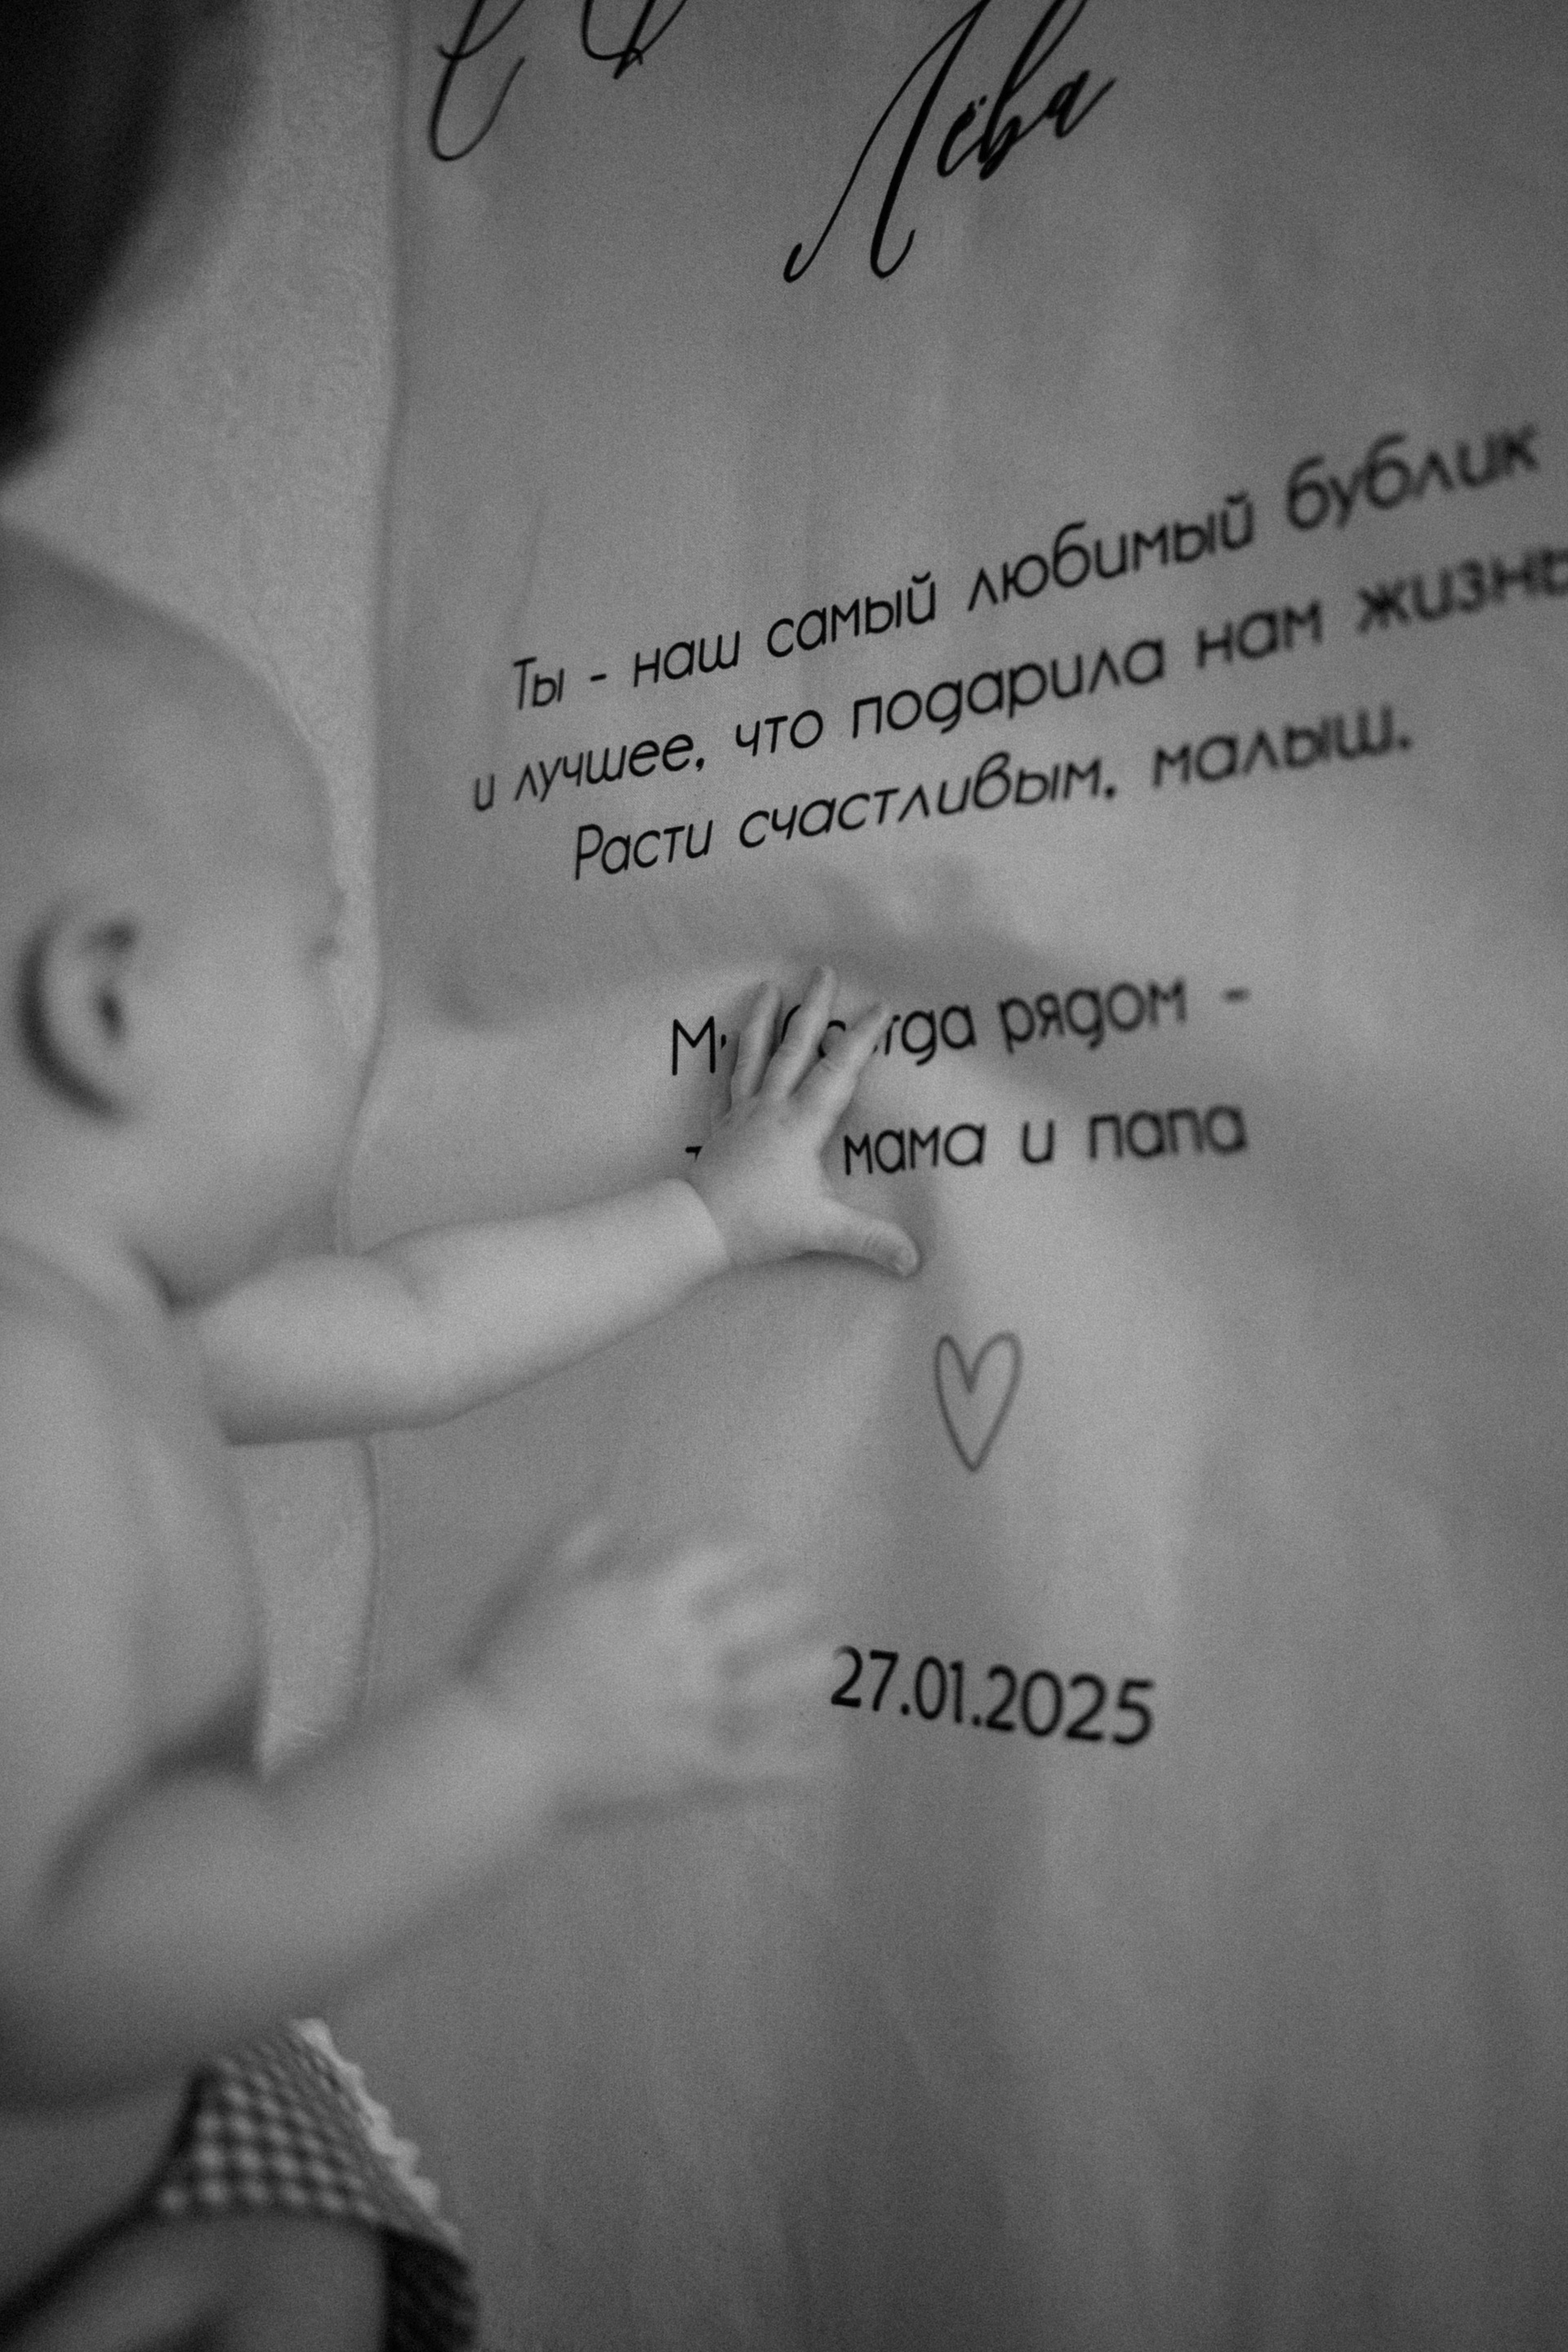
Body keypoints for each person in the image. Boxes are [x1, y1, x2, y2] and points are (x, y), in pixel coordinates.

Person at [0, 523, 919, 2345]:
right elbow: (49, 1974)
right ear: (110, 1002)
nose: (346, 1020)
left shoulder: (122, 1331)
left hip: (123, 2147)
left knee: (322, 2268)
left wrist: (709, 1218)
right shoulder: (19, 1402)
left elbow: (420, 1322)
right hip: (65, 2175)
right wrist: (513, 1739)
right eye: (316, 949)